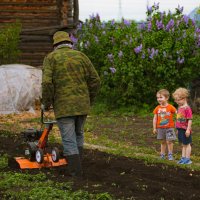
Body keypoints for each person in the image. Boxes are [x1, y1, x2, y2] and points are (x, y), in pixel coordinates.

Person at [42, 31, 101, 176]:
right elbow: (95, 80)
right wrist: (89, 99)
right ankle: (78, 165)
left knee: (69, 139)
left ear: (55, 45)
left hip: (64, 106)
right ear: (70, 43)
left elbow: (47, 83)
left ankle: (75, 172)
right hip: (82, 105)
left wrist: (47, 103)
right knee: (79, 134)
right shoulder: (81, 56)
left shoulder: (51, 58)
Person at [153, 89, 177, 160]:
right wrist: (154, 128)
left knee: (169, 141)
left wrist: (182, 118)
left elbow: (177, 113)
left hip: (170, 127)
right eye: (157, 97)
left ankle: (170, 154)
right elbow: (155, 118)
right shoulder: (157, 108)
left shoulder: (170, 107)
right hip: (160, 128)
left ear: (166, 98)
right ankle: (162, 154)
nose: (158, 99)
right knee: (162, 142)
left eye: (161, 97)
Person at [172, 88, 193, 164]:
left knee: (187, 144)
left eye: (178, 100)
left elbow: (190, 120)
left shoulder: (187, 109)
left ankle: (187, 159)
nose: (176, 101)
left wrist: (188, 130)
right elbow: (178, 119)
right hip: (180, 129)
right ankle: (183, 158)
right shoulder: (180, 107)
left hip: (185, 130)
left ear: (184, 98)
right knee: (183, 144)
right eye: (176, 100)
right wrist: (177, 129)